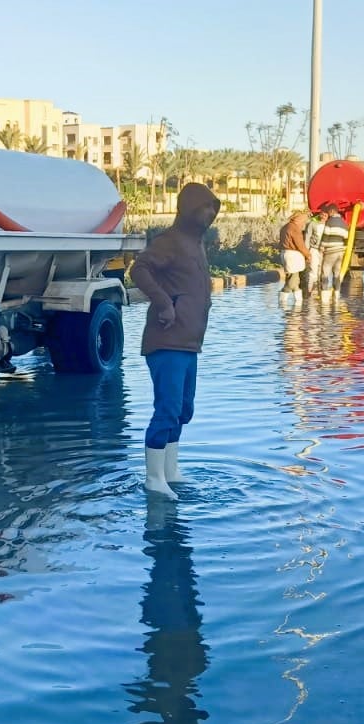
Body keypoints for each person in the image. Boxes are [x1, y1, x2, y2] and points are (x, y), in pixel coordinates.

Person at [130, 182, 221, 500]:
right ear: (188, 209)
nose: (209, 213)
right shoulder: (169, 241)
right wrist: (165, 303)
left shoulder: (196, 243)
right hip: (166, 340)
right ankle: (153, 478)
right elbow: (138, 269)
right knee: (167, 409)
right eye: (203, 207)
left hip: (188, 343)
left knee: (183, 410)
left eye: (212, 207)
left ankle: (170, 471)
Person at [316, 201, 351, 295]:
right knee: (337, 273)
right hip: (340, 251)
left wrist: (321, 248)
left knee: (325, 271)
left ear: (332, 211)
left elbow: (326, 236)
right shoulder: (344, 223)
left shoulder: (330, 222)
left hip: (330, 251)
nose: (328, 214)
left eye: (328, 212)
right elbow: (346, 238)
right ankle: (336, 295)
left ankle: (324, 295)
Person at [278, 210, 311, 303]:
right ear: (298, 219)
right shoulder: (294, 229)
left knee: (294, 281)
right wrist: (308, 255)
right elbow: (300, 245)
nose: (304, 223)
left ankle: (299, 304)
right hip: (293, 255)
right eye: (303, 221)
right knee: (293, 281)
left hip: (285, 254)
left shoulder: (285, 227)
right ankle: (282, 301)